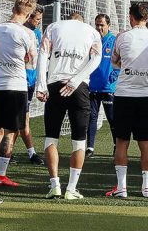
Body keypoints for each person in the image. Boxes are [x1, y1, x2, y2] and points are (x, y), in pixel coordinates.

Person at [36, 12, 102, 200]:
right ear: (82, 20)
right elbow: (96, 59)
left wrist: (41, 86)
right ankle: (71, 188)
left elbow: (43, 55)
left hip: (55, 85)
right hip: (79, 88)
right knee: (79, 140)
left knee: (51, 138)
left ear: (68, 18)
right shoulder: (91, 31)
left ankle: (55, 185)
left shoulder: (54, 27)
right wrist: (76, 80)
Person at [106, 3, 148, 198]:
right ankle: (146, 187)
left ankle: (122, 188)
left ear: (131, 17)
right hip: (146, 95)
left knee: (122, 141)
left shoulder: (123, 37)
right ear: (146, 18)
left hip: (124, 95)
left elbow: (114, 62)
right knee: (145, 142)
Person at [0, 0, 38, 188]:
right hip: (16, 86)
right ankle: (0, 174)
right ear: (28, 13)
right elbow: (32, 63)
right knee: (12, 131)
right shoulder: (27, 34)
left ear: (13, 9)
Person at [86, 14, 119, 159]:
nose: (99, 27)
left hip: (108, 88)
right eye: (97, 24)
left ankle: (116, 146)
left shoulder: (114, 41)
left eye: (102, 25)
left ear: (108, 25)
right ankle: (90, 148)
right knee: (91, 117)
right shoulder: (91, 40)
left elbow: (120, 61)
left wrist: (113, 77)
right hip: (93, 86)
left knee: (112, 119)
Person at [20, 5, 45, 166]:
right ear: (29, 17)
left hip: (30, 83)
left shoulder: (37, 33)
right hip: (19, 82)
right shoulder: (21, 31)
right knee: (21, 120)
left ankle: (5, 153)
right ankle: (32, 153)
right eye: (37, 19)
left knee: (23, 119)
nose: (39, 22)